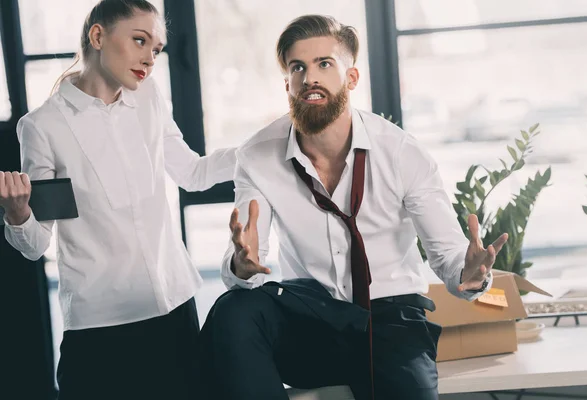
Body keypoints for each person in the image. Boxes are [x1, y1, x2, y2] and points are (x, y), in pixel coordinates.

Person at [202, 14, 508, 400]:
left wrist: (471, 274)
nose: (310, 77)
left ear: (351, 79)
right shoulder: (257, 155)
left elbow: (448, 259)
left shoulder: (401, 152)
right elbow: (251, 256)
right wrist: (241, 266)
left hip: (390, 317)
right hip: (310, 315)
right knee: (234, 311)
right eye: (299, 67)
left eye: (324, 64)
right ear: (288, 85)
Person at [0, 1, 235, 399]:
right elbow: (36, 245)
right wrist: (18, 212)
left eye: (157, 49)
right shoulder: (43, 126)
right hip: (100, 327)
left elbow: (193, 174)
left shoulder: (148, 100)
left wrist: (270, 146)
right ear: (98, 36)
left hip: (173, 307)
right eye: (140, 40)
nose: (150, 58)